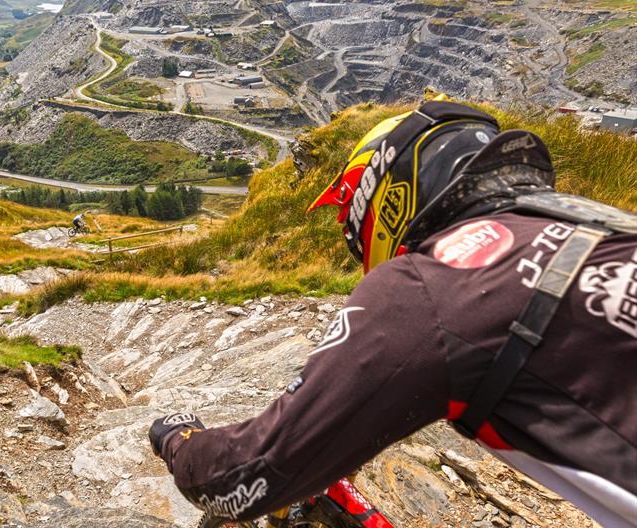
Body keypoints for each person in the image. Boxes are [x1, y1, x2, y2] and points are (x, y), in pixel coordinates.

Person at [148, 99, 637, 526]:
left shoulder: (433, 282)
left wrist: (177, 438)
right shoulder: (602, 226)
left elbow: (247, 475)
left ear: (386, 204)